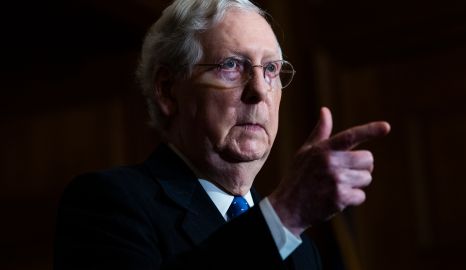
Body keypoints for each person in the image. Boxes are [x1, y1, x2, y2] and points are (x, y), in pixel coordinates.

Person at [53, 0, 391, 269]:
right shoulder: (108, 205)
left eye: (271, 69)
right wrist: (285, 214)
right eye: (231, 65)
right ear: (168, 91)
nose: (260, 90)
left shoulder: (302, 250)